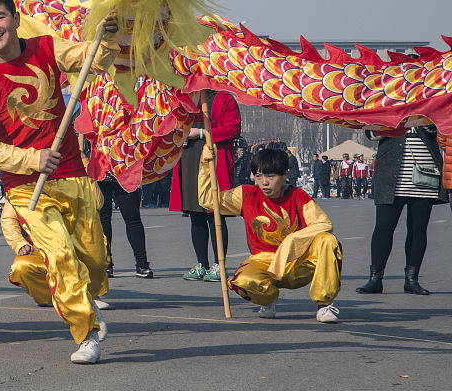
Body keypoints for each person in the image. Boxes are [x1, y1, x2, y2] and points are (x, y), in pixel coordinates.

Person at [0, 0, 118, 365]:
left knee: (95, 263)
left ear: (15, 19)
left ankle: (88, 299)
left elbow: (91, 61)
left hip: (73, 176)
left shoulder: (46, 48)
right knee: (61, 257)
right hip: (26, 187)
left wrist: (108, 34)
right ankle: (86, 333)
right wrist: (31, 158)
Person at [201, 148, 341, 323]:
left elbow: (324, 224)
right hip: (263, 263)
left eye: (271, 176)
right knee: (243, 281)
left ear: (284, 175)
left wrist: (292, 240)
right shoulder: (247, 194)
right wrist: (206, 165)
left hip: (297, 263)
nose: (264, 182)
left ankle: (324, 304)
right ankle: (267, 298)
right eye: (259, 176)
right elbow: (207, 200)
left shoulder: (298, 196)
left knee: (328, 240)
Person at [356, 126, 446, 295]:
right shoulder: (387, 101)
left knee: (418, 229)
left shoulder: (429, 102)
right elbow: (370, 133)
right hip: (390, 175)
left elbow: (443, 130)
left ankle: (412, 280)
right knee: (383, 227)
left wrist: (426, 122)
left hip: (425, 174)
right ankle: (375, 279)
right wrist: (392, 124)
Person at [171, 90, 240, 283]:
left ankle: (219, 265)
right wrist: (180, 136)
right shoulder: (185, 97)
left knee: (214, 214)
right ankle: (201, 263)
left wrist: (201, 132)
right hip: (189, 157)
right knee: (195, 214)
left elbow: (233, 129)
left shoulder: (224, 97)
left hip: (213, 157)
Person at [0, 199, 51, 307]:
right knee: (22, 267)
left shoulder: (81, 185)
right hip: (40, 249)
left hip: (74, 252)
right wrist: (19, 243)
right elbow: (8, 218)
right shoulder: (20, 186)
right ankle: (46, 296)